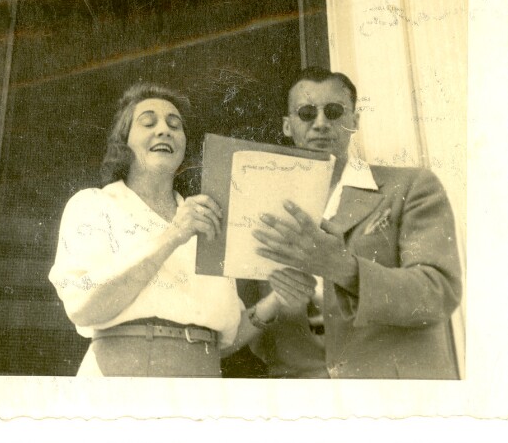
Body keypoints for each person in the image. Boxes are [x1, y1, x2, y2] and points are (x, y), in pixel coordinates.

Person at [49, 82, 316, 377]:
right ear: (123, 141)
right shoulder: (94, 204)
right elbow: (83, 307)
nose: (164, 130)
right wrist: (174, 235)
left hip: (202, 380)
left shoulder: (207, 220)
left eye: (174, 125)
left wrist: (276, 299)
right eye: (148, 122)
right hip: (123, 379)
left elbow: (224, 339)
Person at [248, 67, 463, 379]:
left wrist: (343, 268)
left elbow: (438, 292)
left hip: (390, 388)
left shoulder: (411, 186)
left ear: (355, 121)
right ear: (287, 125)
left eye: (334, 112)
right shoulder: (261, 208)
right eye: (306, 113)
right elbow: (246, 324)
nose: (320, 123)